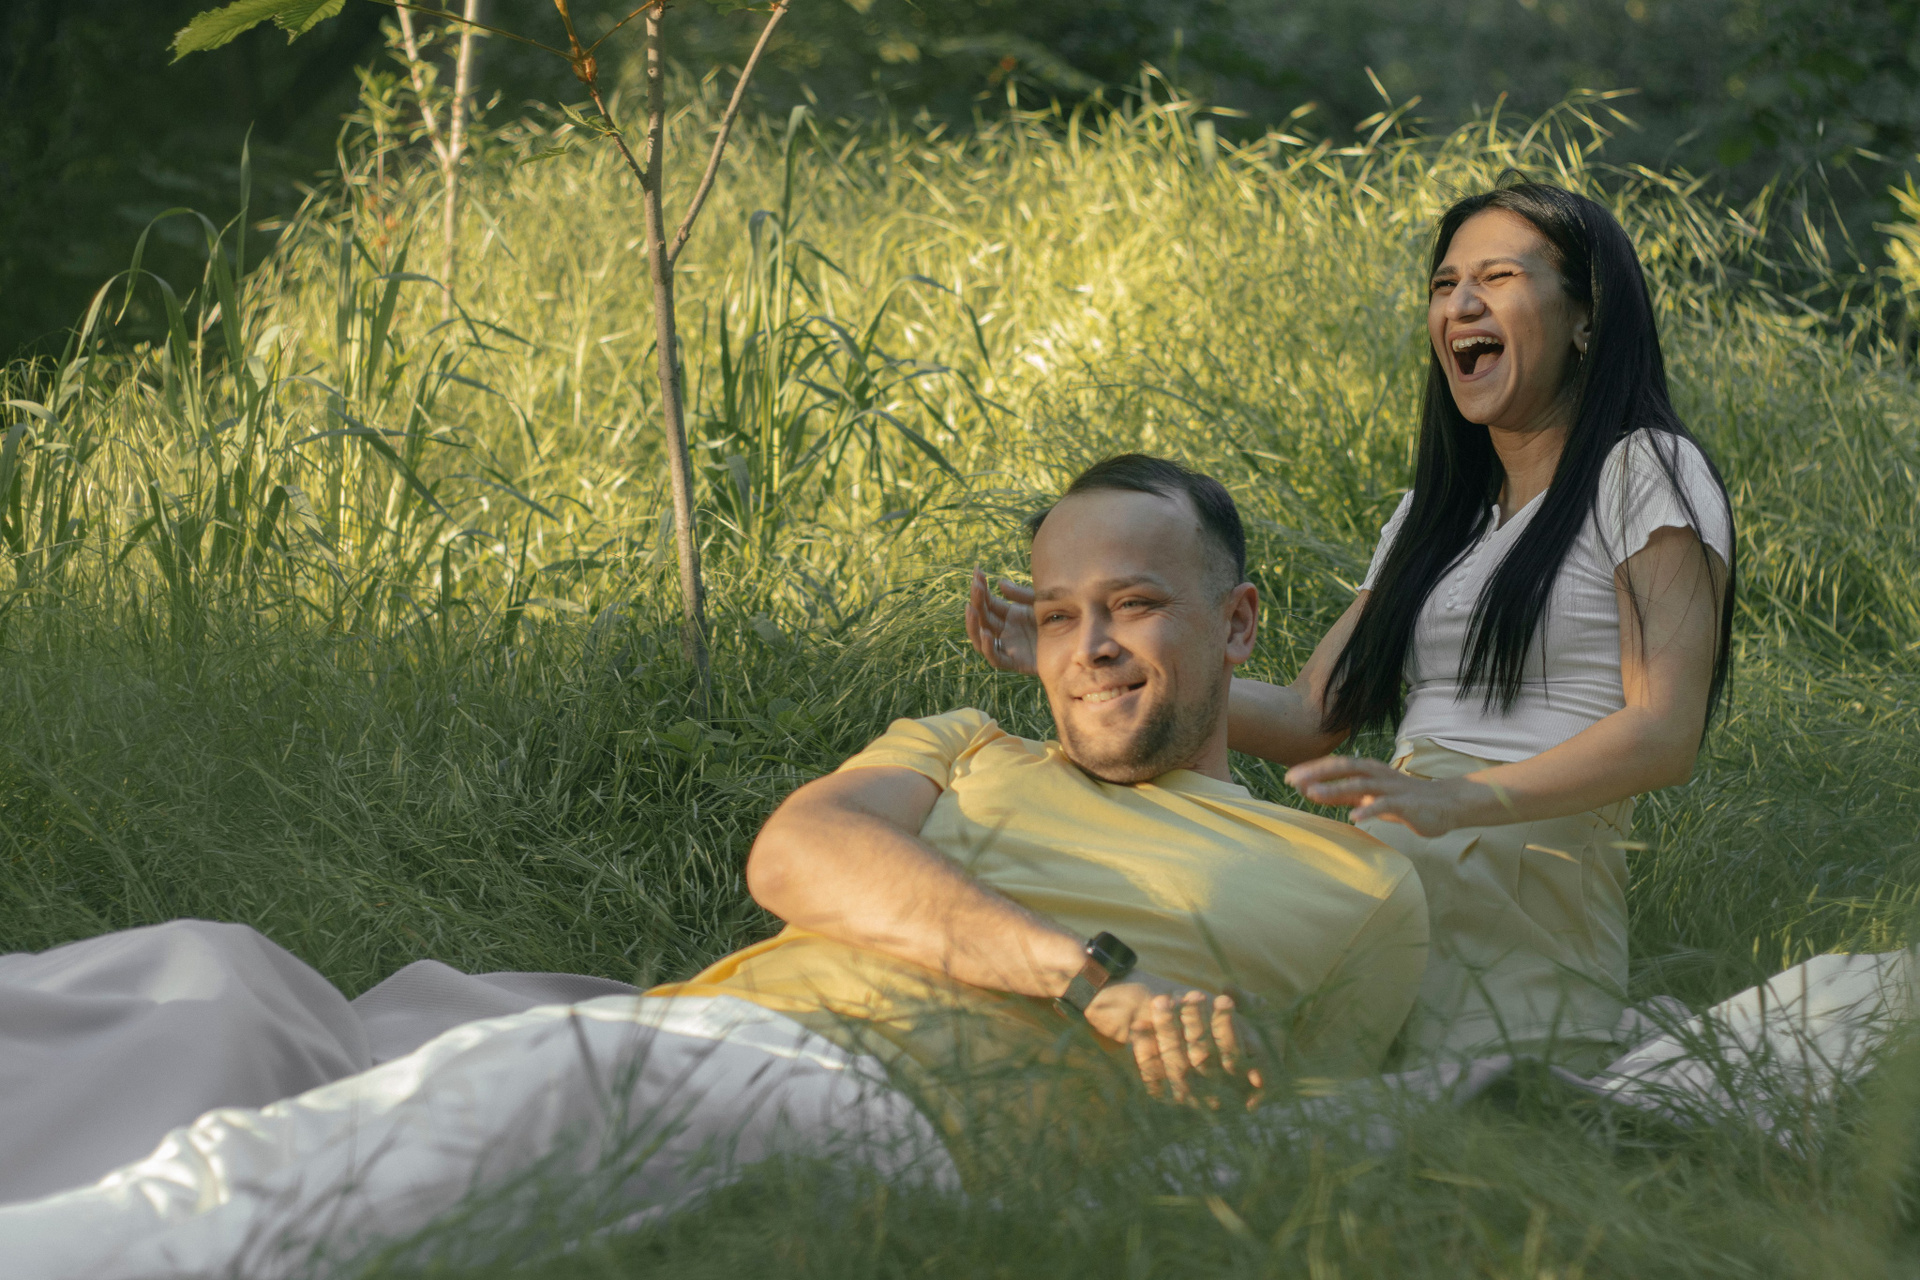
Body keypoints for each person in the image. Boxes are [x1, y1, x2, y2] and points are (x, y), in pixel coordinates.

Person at [2, 455, 1427, 1279]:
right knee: (253, 1052)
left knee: (341, 1161)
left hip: (901, 1106)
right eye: (1057, 615)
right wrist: (1093, 980)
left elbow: (1303, 1141)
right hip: (713, 1028)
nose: (1092, 645)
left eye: (1134, 605)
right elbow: (801, 852)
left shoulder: (1354, 886)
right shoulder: (969, 742)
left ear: (1241, 625)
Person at [969, 182, 1735, 1072]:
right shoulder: (1435, 517)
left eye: (1497, 278)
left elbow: (1665, 731)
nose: (1461, 305)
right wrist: (1096, 663)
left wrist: (1465, 800)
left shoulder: (1644, 469)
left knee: (1414, 1105)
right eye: (1444, 285)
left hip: (1520, 872)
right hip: (1384, 862)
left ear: (1585, 320)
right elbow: (1310, 716)